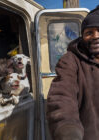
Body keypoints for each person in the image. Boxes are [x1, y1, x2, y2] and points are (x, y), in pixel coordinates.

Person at [47, 5, 99, 140]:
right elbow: (62, 96)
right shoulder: (70, 61)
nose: (95, 37)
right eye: (89, 33)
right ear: (82, 36)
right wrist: (68, 130)